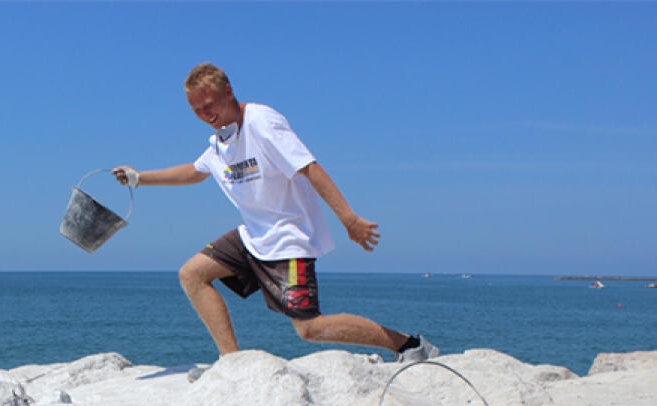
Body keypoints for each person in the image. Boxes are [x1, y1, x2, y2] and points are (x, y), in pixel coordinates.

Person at [115, 63, 437, 377]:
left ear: (229, 91)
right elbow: (195, 172)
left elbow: (310, 167)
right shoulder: (220, 142)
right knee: (193, 274)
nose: (205, 116)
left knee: (309, 328)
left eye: (209, 105)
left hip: (289, 239)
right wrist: (139, 178)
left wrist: (348, 218)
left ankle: (409, 345)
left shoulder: (262, 123)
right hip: (253, 235)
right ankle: (232, 362)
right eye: (197, 110)